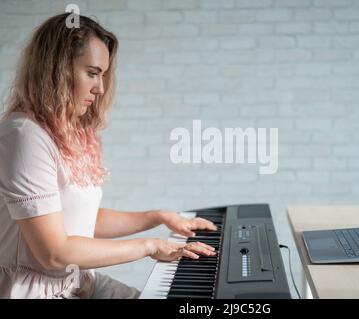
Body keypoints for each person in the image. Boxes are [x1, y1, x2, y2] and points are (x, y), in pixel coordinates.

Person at [0, 13, 217, 299]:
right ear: (56, 69)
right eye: (91, 73)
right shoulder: (24, 134)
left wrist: (158, 217)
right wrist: (149, 246)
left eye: (102, 74)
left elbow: (83, 219)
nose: (100, 88)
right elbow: (53, 253)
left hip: (74, 282)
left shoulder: (67, 131)